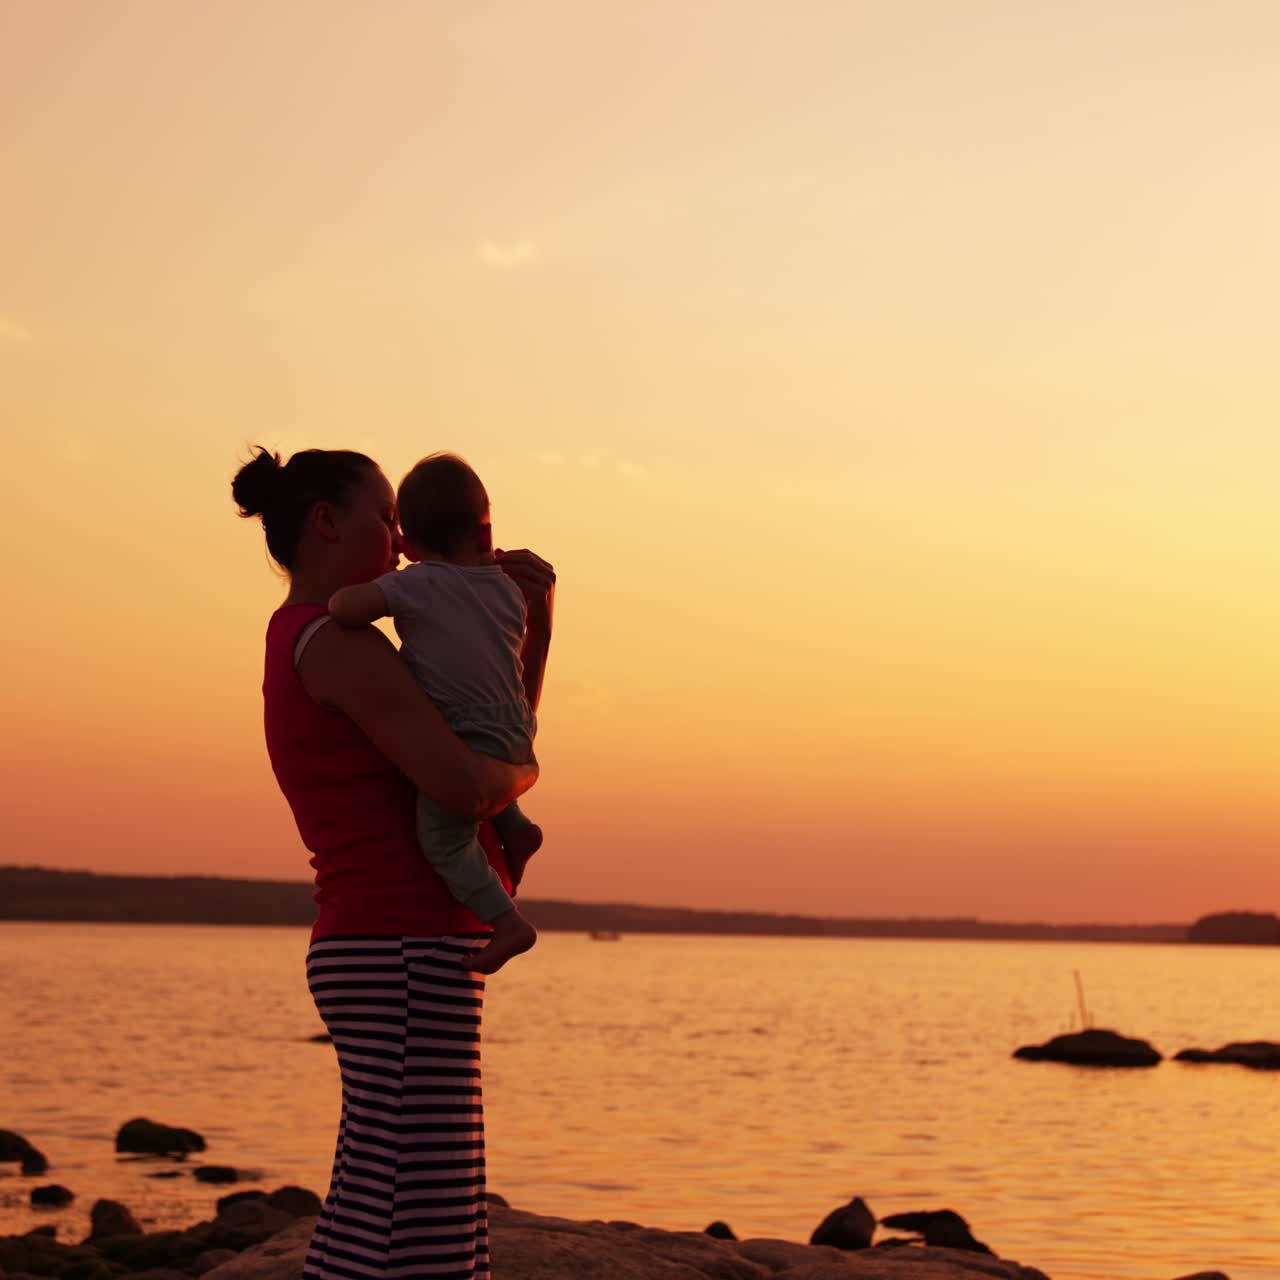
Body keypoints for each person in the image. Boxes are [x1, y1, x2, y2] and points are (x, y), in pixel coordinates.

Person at [232, 445, 554, 1280]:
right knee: (416, 1221)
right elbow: (465, 783)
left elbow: (488, 728)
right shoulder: (341, 644)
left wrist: (533, 630)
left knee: (399, 1208)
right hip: (399, 944)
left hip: (399, 944)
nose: (401, 537)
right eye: (384, 517)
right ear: (325, 522)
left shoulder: (324, 639)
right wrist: (526, 776)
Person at [329, 453, 541, 975]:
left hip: (466, 731)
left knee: (443, 840)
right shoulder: (508, 590)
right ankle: (514, 823)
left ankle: (507, 922)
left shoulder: (417, 584)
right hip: (516, 729)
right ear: (484, 532)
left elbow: (345, 609)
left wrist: (354, 591)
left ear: (409, 544)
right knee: (489, 750)